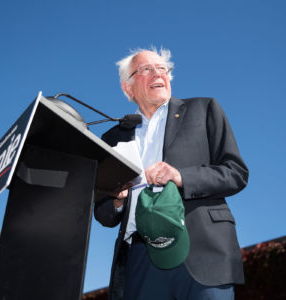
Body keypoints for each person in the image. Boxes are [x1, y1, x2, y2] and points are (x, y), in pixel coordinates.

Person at [94, 47, 249, 300]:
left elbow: (236, 172)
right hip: (141, 259)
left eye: (162, 68)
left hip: (201, 249)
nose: (158, 73)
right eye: (146, 69)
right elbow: (103, 213)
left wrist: (180, 176)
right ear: (128, 88)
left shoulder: (204, 109)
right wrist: (118, 198)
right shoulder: (112, 138)